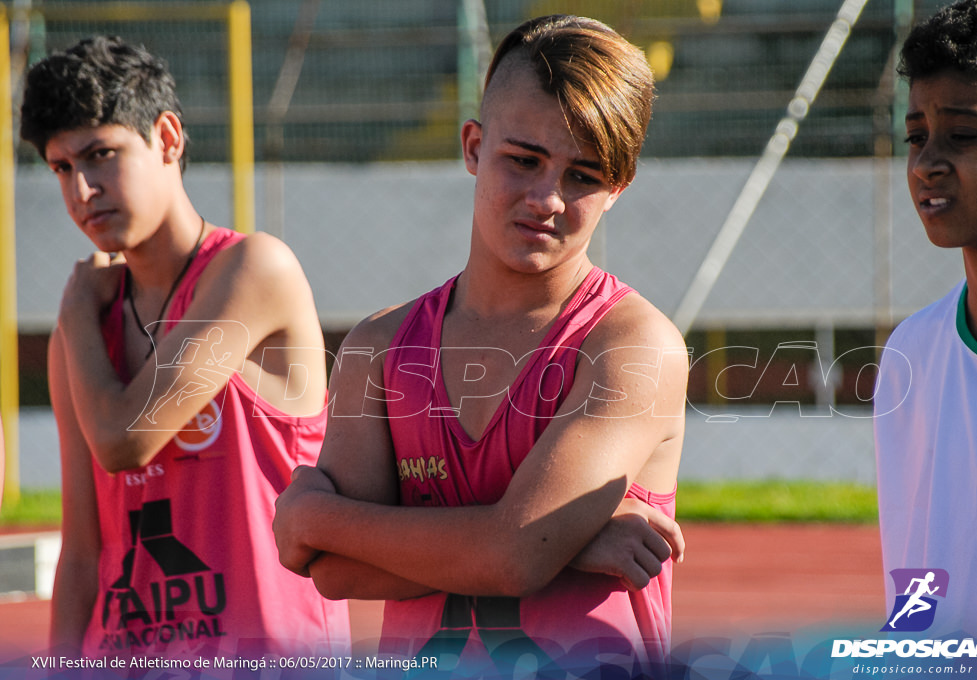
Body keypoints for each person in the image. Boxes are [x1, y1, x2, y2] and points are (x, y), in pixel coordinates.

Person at [274, 14, 688, 678]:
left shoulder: (634, 343)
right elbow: (334, 571)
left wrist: (317, 515)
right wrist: (562, 538)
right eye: (522, 160)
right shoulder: (379, 347)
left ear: (619, 187)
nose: (547, 197)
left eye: (583, 175)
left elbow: (512, 558)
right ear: (472, 145)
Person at [20, 36, 348, 662]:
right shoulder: (86, 328)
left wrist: (72, 311)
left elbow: (123, 441)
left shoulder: (255, 270)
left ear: (167, 138)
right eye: (61, 167)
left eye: (100, 155)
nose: (82, 190)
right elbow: (83, 550)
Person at [874, 0, 977, 674]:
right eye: (916, 135)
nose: (927, 162)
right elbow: (916, 574)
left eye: (963, 135)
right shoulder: (912, 353)